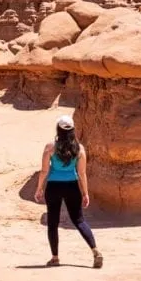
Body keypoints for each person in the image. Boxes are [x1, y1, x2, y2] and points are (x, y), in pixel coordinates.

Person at [34, 114, 103, 268]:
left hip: (53, 187)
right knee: (79, 220)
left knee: (52, 222)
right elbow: (82, 173)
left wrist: (39, 189)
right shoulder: (79, 149)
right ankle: (95, 251)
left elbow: (44, 171)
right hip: (72, 186)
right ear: (73, 130)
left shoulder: (50, 147)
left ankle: (55, 258)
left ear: (58, 129)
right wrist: (85, 193)